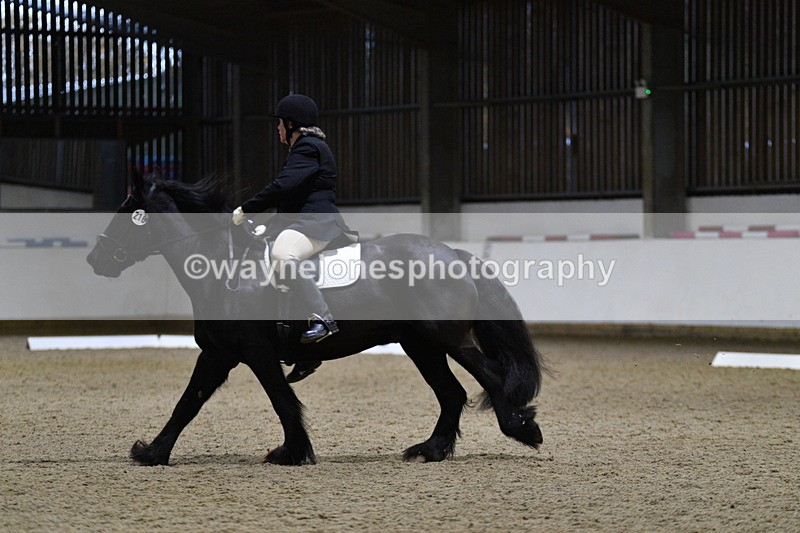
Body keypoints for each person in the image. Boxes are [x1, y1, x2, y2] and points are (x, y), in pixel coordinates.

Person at [232, 94, 350, 381]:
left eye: (280, 124)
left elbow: (283, 187)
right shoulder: (307, 148)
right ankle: (303, 350)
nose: (277, 129)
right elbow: (292, 201)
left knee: (282, 255)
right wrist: (267, 227)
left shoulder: (308, 147)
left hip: (316, 224)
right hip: (303, 221)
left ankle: (323, 318)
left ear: (291, 124)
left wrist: (247, 209)